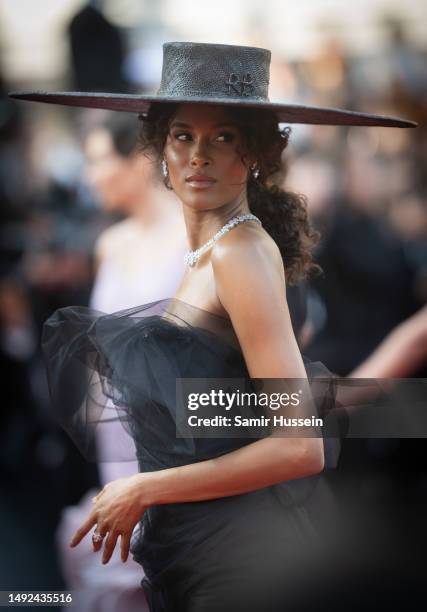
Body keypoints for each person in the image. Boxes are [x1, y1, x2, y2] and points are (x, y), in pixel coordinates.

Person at [11, 42, 416, 611]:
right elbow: (224, 407)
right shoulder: (209, 252)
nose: (198, 154)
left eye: (223, 136)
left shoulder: (239, 254)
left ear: (254, 153)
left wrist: (144, 487)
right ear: (158, 149)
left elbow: (299, 448)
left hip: (238, 555)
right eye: (182, 135)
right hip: (198, 543)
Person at [55, 112, 187, 612]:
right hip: (115, 430)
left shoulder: (190, 235)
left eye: (97, 161)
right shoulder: (110, 243)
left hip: (173, 424)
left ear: (135, 160)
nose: (90, 177)